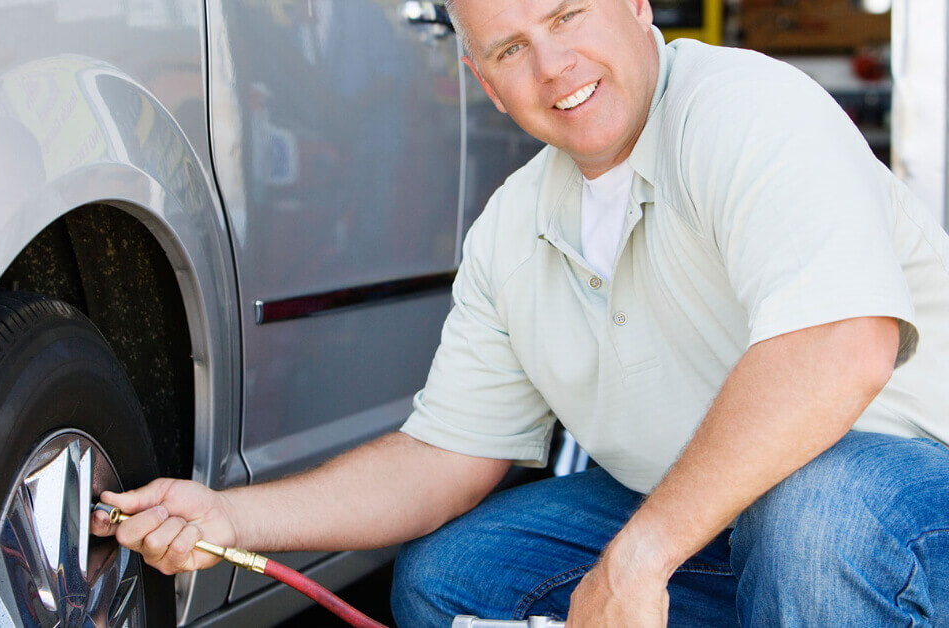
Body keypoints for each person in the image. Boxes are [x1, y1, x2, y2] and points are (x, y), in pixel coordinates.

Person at [91, 0, 949, 625]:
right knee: (455, 576)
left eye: (568, 15)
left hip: (905, 508)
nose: (553, 66)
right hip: (734, 535)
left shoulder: (745, 110)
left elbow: (842, 345)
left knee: (820, 516)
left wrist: (640, 558)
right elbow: (442, 460)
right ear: (485, 83)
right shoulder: (513, 230)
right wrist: (230, 515)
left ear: (635, 4)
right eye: (510, 49)